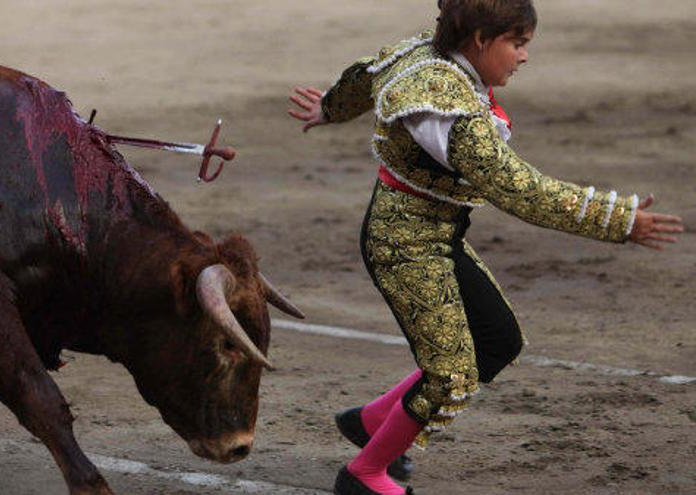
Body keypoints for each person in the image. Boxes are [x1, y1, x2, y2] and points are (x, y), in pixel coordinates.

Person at [287, 1, 685, 494]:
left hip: (437, 233)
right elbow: (516, 188)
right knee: (450, 375)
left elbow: (363, 79)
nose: (523, 57)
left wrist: (329, 107)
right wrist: (615, 220)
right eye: (517, 44)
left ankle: (371, 423)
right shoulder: (445, 108)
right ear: (480, 40)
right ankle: (364, 475)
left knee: (496, 341)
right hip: (403, 243)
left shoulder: (424, 58)